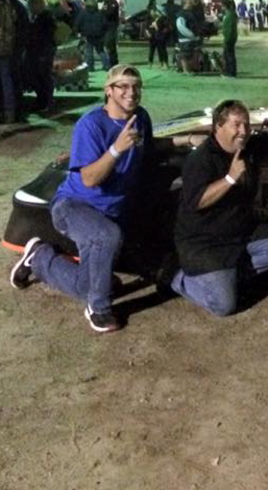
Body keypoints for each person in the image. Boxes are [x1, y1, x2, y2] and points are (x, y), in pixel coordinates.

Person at [9, 65, 170, 332]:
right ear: (108, 91)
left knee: (88, 284)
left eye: (136, 86)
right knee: (107, 237)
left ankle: (39, 257)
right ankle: (98, 309)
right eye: (124, 86)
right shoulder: (90, 124)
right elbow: (89, 179)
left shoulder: (141, 117)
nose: (132, 93)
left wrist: (188, 138)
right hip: (73, 206)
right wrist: (116, 149)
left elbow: (149, 147)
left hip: (109, 212)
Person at [167, 100, 268, 316]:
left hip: (240, 232)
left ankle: (229, 275)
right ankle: (175, 277)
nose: (244, 131)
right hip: (205, 243)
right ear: (218, 127)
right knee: (224, 306)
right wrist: (230, 178)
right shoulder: (200, 159)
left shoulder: (247, 144)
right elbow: (197, 201)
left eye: (247, 125)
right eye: (237, 125)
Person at [25, 0, 56, 114]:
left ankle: (45, 101)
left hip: (42, 51)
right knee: (41, 76)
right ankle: (44, 101)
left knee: (43, 76)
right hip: (42, 50)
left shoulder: (44, 17)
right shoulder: (42, 16)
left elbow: (43, 36)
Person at [74, 0, 109, 71]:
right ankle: (106, 65)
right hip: (99, 35)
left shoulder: (83, 13)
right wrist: (103, 32)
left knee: (89, 52)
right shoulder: (99, 13)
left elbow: (78, 24)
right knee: (101, 51)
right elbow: (105, 24)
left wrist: (78, 31)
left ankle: (90, 67)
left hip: (87, 35)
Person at [145, 0, 169, 68]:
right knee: (152, 49)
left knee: (161, 49)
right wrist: (148, 32)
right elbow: (146, 26)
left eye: (154, 11)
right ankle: (150, 63)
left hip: (159, 35)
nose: (153, 12)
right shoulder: (149, 17)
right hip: (153, 35)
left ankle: (163, 63)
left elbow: (165, 27)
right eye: (152, 11)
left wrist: (159, 29)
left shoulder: (161, 18)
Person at [101, 0, 120, 68]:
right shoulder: (107, 2)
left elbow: (110, 13)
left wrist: (103, 12)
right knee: (109, 45)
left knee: (110, 44)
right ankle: (112, 61)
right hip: (107, 26)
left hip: (111, 26)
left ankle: (113, 62)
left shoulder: (113, 3)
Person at [220, 0, 238, 77]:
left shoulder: (230, 15)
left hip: (229, 38)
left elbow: (229, 28)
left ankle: (230, 73)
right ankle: (229, 72)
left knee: (229, 56)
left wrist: (226, 39)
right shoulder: (231, 14)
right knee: (228, 55)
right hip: (231, 37)